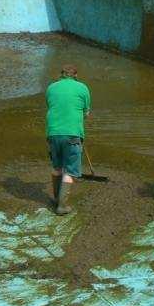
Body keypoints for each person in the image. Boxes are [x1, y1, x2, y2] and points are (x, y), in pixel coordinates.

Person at [45, 64, 91, 215]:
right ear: (76, 75)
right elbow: (86, 113)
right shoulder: (82, 88)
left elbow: (52, 107)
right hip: (72, 134)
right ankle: (62, 206)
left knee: (57, 167)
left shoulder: (51, 88)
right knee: (70, 171)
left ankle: (57, 198)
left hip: (53, 133)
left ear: (61, 75)